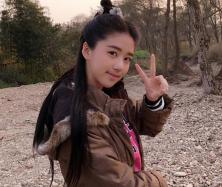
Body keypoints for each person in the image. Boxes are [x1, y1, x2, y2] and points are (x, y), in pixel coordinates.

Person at [33, 0, 173, 186]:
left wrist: (152, 100)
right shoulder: (75, 113)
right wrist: (159, 180)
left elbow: (134, 123)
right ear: (87, 50)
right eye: (112, 53)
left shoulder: (108, 92)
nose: (119, 66)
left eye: (126, 58)